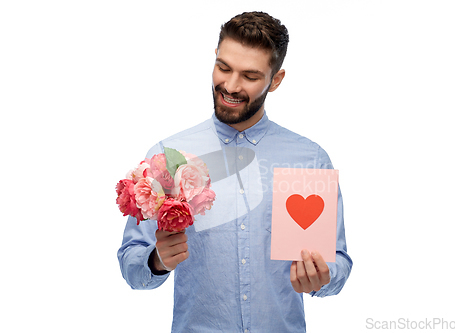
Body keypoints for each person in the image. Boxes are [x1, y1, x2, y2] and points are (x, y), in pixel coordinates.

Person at [118, 11, 352, 332]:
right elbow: (132, 267)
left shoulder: (309, 159)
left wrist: (324, 276)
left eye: (250, 76)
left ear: (276, 80)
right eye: (223, 68)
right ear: (214, 57)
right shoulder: (167, 158)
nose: (230, 86)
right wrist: (156, 262)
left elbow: (337, 262)